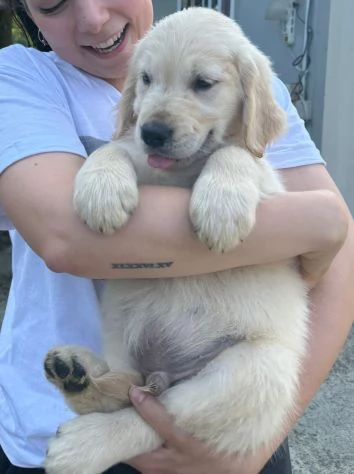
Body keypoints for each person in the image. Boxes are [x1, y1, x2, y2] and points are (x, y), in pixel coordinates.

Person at [0, 1, 352, 473]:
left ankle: (128, 420)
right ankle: (111, 392)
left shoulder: (251, 88)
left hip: (230, 423)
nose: (92, 18)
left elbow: (336, 259)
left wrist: (254, 444)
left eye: (202, 85)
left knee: (261, 368)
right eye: (52, 2)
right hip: (49, 432)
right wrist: (320, 222)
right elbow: (68, 236)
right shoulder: (18, 76)